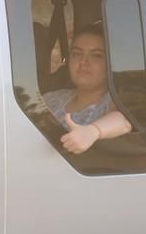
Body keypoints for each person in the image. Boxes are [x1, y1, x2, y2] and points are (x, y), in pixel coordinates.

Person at [43, 22, 132, 154]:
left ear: (112, 63)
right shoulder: (50, 97)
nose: (83, 62)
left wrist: (93, 131)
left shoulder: (114, 102)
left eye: (96, 55)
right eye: (77, 54)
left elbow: (124, 121)